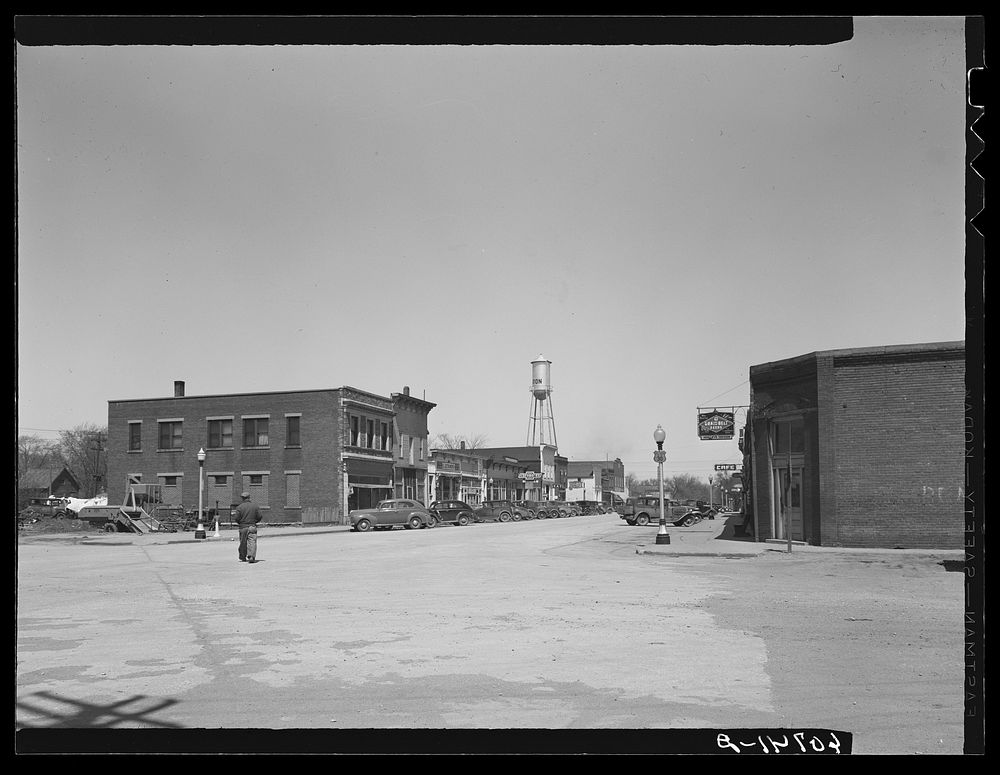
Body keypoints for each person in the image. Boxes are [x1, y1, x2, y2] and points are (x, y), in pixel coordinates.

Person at [234, 491, 262, 563]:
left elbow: (236, 518)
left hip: (243, 527)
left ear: (242, 498)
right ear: (249, 497)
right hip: (252, 526)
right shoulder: (255, 506)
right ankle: (251, 556)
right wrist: (255, 522)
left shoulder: (239, 507)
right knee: (252, 542)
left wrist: (240, 523)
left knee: (243, 543)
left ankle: (242, 557)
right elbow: (260, 516)